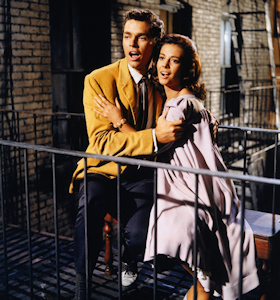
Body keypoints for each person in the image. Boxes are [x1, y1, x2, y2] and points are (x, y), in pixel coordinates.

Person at [95, 34, 260, 300]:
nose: (164, 65)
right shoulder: (190, 100)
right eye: (161, 58)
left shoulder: (178, 106)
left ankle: (202, 283)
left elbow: (152, 149)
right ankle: (202, 286)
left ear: (186, 70)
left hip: (190, 184)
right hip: (209, 181)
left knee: (171, 234)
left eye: (174, 61)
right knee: (196, 257)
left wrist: (118, 120)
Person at [69, 9, 185, 299]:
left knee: (142, 228)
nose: (132, 45)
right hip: (102, 168)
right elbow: (102, 140)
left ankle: (129, 259)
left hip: (141, 171)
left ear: (154, 43)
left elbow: (185, 103)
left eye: (141, 38)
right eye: (127, 37)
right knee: (90, 203)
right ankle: (82, 283)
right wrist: (153, 138)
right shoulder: (99, 80)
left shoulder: (160, 81)